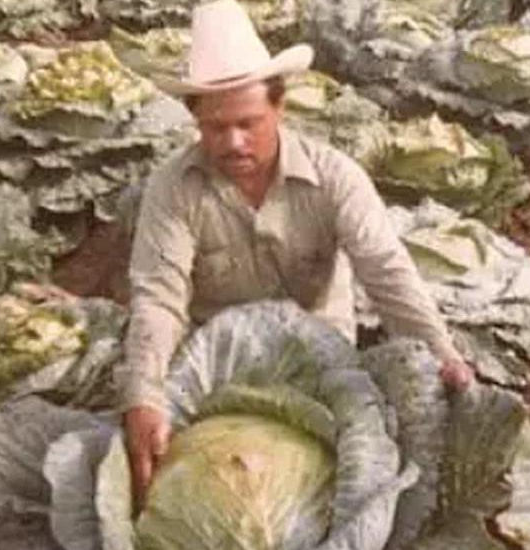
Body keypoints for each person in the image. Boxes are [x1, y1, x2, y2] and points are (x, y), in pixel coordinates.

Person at [117, 0, 475, 507]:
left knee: (373, 455)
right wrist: (146, 397)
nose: (234, 142)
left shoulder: (334, 176)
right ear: (195, 119)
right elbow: (159, 294)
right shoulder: (173, 188)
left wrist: (442, 352)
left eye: (250, 122)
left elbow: (385, 270)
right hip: (212, 368)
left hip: (321, 360)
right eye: (216, 127)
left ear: (280, 108)